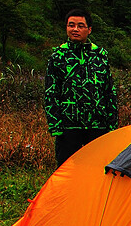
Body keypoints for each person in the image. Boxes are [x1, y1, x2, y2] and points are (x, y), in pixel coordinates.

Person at [44, 9, 118, 167]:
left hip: (98, 126)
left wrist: (112, 124)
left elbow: (109, 91)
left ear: (89, 29)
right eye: (71, 25)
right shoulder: (58, 56)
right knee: (67, 171)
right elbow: (51, 92)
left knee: (98, 170)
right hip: (68, 127)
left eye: (80, 25)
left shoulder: (100, 55)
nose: (75, 29)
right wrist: (55, 125)